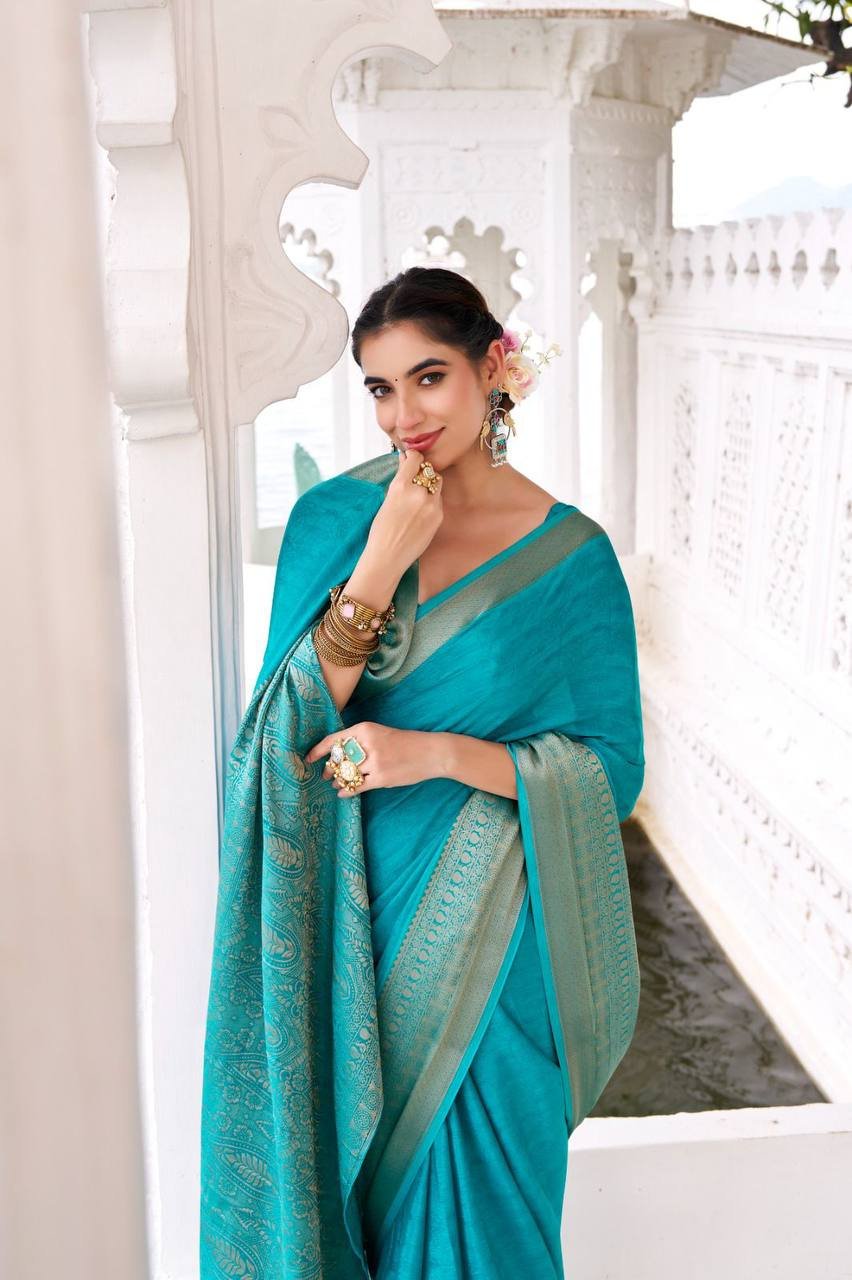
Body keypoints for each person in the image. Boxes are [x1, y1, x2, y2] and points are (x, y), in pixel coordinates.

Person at [199, 267, 645, 1280]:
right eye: (380, 388)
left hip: (499, 959)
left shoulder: (573, 559)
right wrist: (383, 558)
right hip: (353, 935)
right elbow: (276, 737)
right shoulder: (333, 522)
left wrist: (433, 753)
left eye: (429, 377)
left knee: (493, 1234)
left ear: (493, 368)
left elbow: (611, 774)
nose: (404, 414)